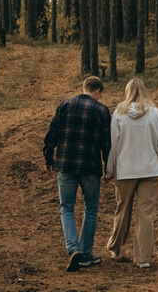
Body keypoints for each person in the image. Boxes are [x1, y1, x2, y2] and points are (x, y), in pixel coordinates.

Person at [100, 76, 158, 269]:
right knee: (145, 214)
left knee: (122, 209)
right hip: (150, 169)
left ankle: (116, 249)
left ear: (127, 92)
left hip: (125, 170)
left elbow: (114, 145)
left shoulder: (119, 113)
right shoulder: (154, 113)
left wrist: (110, 169)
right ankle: (143, 258)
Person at [42, 74, 110, 271]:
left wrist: (49, 158)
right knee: (91, 208)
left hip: (65, 164)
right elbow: (106, 142)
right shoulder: (101, 110)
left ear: (84, 88)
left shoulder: (65, 105)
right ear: (98, 91)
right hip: (90, 166)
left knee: (66, 207)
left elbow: (52, 133)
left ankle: (73, 249)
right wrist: (109, 167)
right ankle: (86, 253)